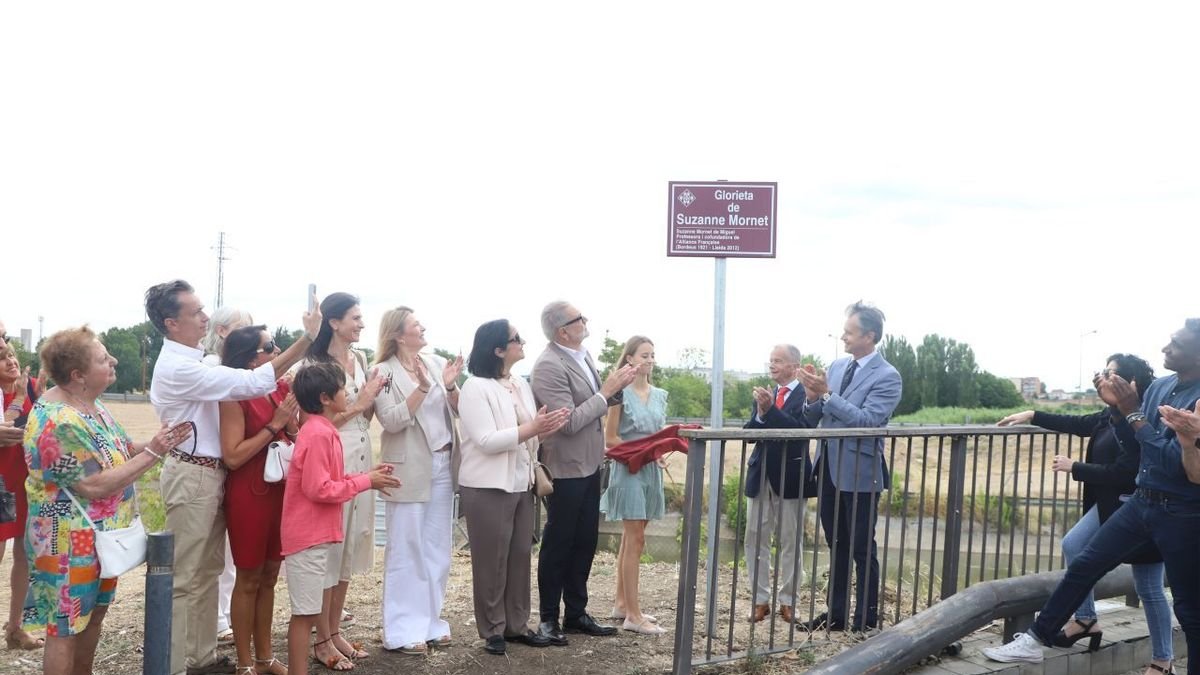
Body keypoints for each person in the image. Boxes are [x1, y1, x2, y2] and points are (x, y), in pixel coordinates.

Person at [984, 319, 1200, 672]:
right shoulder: (1160, 387)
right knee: (1083, 562)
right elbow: (1138, 445)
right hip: (1141, 501)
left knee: (1189, 609)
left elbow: (1176, 462)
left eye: (1175, 343)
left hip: (1181, 513)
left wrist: (1131, 413)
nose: (1165, 348)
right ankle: (1035, 640)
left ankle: (1165, 661)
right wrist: (1121, 411)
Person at [146, 279, 320, 675]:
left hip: (211, 475)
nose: (206, 317)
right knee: (186, 576)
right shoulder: (177, 367)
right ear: (172, 323)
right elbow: (248, 381)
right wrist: (305, 340)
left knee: (207, 573)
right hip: (193, 473)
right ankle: (170, 664)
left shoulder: (196, 361)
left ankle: (201, 656)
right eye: (196, 312)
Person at [22, 327, 192, 675]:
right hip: (66, 543)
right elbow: (93, 484)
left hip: (97, 541)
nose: (113, 361)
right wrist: (156, 453)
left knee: (93, 617)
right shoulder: (58, 421)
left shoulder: (91, 405)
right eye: (103, 359)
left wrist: (162, 442)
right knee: (65, 629)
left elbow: (122, 450)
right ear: (77, 376)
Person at [458, 319, 569, 655]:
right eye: (516, 339)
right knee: (491, 561)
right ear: (497, 349)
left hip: (521, 483)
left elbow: (529, 432)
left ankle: (516, 625)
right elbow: (487, 440)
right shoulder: (476, 387)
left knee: (521, 555)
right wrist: (532, 428)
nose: (523, 342)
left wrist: (545, 427)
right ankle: (492, 629)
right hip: (487, 486)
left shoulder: (519, 383)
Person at [281, 362, 400, 675]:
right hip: (308, 538)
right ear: (324, 397)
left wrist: (366, 476)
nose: (349, 393)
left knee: (307, 612)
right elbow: (319, 488)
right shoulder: (319, 434)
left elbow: (329, 479)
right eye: (343, 388)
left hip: (315, 536)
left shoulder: (322, 430)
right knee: (305, 615)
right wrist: (365, 482)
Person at [530, 301, 637, 645]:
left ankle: (576, 612)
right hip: (564, 467)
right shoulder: (548, 365)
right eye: (579, 318)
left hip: (591, 463)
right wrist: (605, 391)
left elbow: (596, 405)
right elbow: (570, 420)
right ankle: (549, 618)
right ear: (563, 330)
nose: (586, 320)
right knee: (559, 542)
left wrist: (619, 387)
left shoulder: (583, 353)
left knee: (585, 541)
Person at [796, 301, 902, 633]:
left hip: (860, 473)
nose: (843, 337)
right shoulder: (837, 367)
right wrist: (812, 397)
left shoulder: (888, 376)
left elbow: (868, 421)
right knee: (837, 544)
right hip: (827, 467)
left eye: (849, 332)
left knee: (860, 545)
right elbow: (813, 418)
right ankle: (837, 615)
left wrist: (827, 396)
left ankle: (866, 619)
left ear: (869, 336)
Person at [299, 292, 384, 665]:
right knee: (329, 552)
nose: (362, 324)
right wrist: (359, 405)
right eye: (355, 317)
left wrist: (370, 404)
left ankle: (334, 631)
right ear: (333, 322)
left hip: (362, 454)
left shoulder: (361, 359)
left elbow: (367, 410)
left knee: (349, 547)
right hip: (332, 455)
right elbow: (310, 424)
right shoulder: (313, 363)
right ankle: (319, 641)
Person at [371, 307, 463, 654]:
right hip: (407, 467)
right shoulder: (383, 371)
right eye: (415, 324)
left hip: (442, 463)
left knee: (437, 548)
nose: (423, 328)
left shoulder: (437, 362)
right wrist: (422, 389)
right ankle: (401, 630)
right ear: (398, 334)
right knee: (406, 548)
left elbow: (458, 409)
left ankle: (431, 622)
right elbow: (392, 421)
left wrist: (450, 385)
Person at [218, 326, 299, 675]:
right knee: (248, 577)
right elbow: (232, 456)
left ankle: (265, 657)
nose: (278, 350)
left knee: (270, 575)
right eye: (272, 346)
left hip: (280, 488)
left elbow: (292, 434)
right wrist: (275, 424)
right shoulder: (233, 394)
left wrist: (291, 420)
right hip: (249, 491)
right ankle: (245, 662)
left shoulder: (279, 387)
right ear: (253, 358)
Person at [598, 336, 670, 636]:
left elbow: (657, 435)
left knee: (633, 539)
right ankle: (634, 616)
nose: (650, 359)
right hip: (628, 469)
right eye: (644, 354)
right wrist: (641, 452)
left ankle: (621, 605)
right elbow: (610, 438)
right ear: (629, 359)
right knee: (636, 539)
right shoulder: (619, 394)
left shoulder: (660, 394)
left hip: (651, 471)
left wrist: (660, 452)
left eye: (653, 354)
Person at [742, 344, 815, 625]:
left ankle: (788, 602)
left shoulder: (805, 395)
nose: (771, 365)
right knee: (755, 540)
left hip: (791, 479)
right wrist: (761, 413)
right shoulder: (765, 394)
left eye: (778, 361)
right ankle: (760, 601)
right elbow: (749, 434)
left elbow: (799, 432)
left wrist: (770, 410)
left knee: (790, 541)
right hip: (760, 477)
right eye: (770, 360)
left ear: (794, 366)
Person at [201, 306, 255, 647]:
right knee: (211, 549)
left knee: (232, 553)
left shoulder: (241, 370)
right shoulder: (210, 367)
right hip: (213, 461)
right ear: (221, 332)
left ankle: (222, 615)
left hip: (233, 463)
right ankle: (212, 619)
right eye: (241, 328)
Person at [1, 340, 41, 650]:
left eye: (11, 355)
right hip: (2, 484)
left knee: (24, 554)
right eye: (2, 359)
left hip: (24, 481)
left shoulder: (27, 388)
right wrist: (15, 399)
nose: (10, 362)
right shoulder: (10, 395)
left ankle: (15, 628)